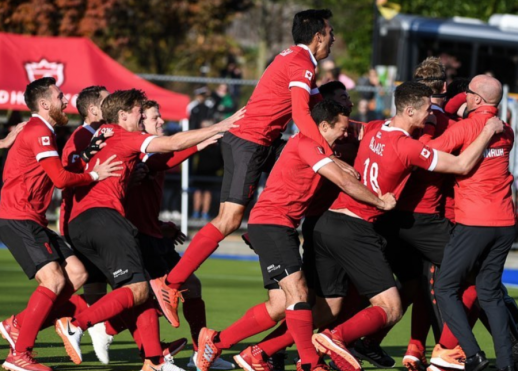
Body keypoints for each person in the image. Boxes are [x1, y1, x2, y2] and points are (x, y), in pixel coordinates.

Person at [154, 8, 360, 331]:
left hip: (263, 143)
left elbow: (321, 111)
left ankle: (259, 233)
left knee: (294, 172)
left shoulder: (303, 61)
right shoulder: (302, 62)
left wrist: (361, 130)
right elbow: (303, 117)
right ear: (318, 35)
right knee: (228, 218)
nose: (334, 38)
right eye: (331, 32)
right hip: (248, 142)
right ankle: (171, 282)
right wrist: (329, 155)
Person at [311, 81, 503, 371]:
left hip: (333, 223)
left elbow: (346, 128)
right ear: (410, 110)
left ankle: (277, 349)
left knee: (334, 305)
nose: (431, 116)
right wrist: (487, 131)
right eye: (427, 110)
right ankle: (441, 351)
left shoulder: (375, 128)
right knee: (396, 305)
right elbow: (462, 165)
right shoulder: (408, 147)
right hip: (360, 229)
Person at [196, 99, 397, 371]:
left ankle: (217, 341)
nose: (344, 133)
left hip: (282, 226)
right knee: (299, 293)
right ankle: (311, 363)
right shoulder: (307, 144)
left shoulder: (321, 145)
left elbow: (355, 142)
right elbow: (344, 182)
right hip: (271, 224)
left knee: (280, 305)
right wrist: (381, 202)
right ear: (324, 125)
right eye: (340, 128)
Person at [54, 89, 241, 371]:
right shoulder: (122, 136)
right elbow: (170, 146)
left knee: (141, 291)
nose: (151, 119)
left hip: (93, 223)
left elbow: (165, 154)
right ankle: (78, 323)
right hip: (108, 222)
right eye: (146, 114)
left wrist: (200, 143)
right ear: (124, 115)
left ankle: (156, 359)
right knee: (140, 291)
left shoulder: (102, 135)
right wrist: (219, 126)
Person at [0, 77, 121, 371]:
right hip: (18, 215)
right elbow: (61, 180)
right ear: (44, 105)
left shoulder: (44, 130)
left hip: (33, 218)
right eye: (59, 96)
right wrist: (96, 174)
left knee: (77, 274)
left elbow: (60, 171)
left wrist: (86, 160)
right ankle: (20, 355)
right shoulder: (40, 130)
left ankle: (18, 324)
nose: (65, 100)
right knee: (54, 280)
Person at [433, 75, 515, 371]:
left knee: (444, 287)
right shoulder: (506, 130)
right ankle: (506, 363)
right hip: (505, 221)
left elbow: (431, 150)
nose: (464, 96)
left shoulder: (466, 127)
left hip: (474, 221)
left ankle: (472, 354)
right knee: (489, 291)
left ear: (477, 99)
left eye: (468, 93)